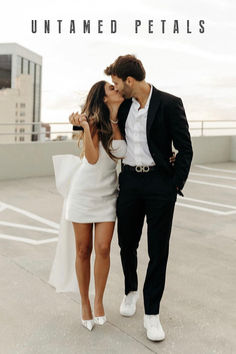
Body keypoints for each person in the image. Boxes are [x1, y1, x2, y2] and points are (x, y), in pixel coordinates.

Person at [48, 79, 176, 332]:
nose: (116, 89)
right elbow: (93, 159)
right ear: (104, 98)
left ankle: (99, 301)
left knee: (104, 248)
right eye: (110, 88)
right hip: (83, 193)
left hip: (108, 194)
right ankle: (85, 303)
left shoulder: (125, 117)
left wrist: (168, 155)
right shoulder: (93, 122)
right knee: (83, 251)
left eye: (115, 86)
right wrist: (84, 126)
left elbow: (141, 142)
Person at [103, 54, 193, 341]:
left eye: (117, 83)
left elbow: (185, 148)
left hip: (159, 184)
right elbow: (100, 121)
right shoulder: (123, 106)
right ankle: (130, 291)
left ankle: (152, 313)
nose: (115, 88)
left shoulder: (169, 103)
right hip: (129, 181)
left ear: (130, 81)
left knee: (158, 249)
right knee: (126, 242)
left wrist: (173, 185)